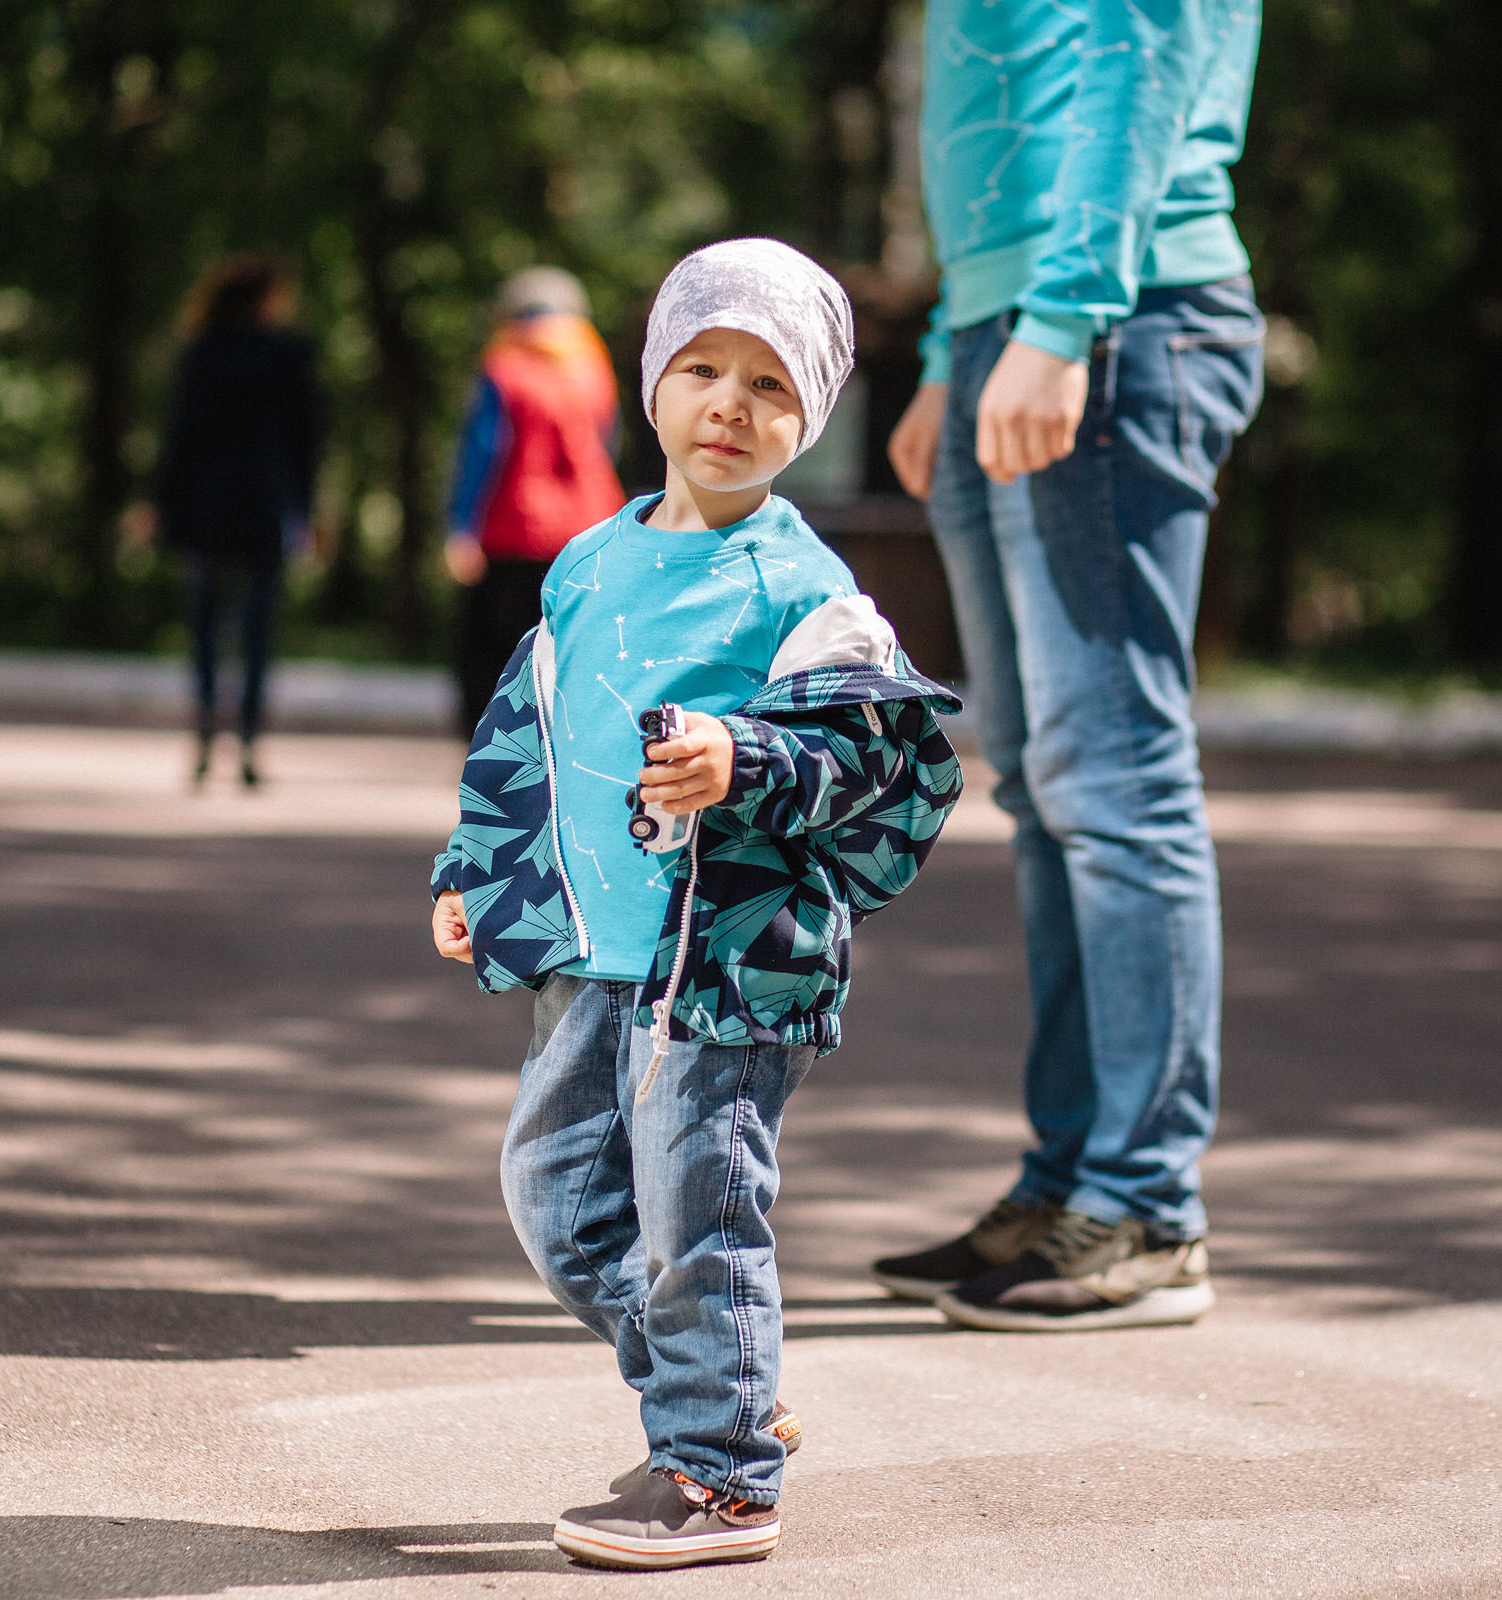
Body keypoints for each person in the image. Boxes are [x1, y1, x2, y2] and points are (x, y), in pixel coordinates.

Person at [429, 239, 963, 1570]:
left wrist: (751, 759)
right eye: (704, 370)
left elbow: (888, 764)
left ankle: (722, 1477)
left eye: (772, 387)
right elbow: (523, 735)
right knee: (552, 1198)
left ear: (812, 418)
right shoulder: (588, 565)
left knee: (696, 1209)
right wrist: (474, 872)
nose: (732, 407)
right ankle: (718, 1390)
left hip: (725, 966)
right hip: (588, 954)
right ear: (652, 387)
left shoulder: (807, 591)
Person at [871, 0, 1266, 1332]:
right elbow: (995, 111)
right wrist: (952, 345)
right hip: (1015, 316)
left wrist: (1067, 317)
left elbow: (1138, 58)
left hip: (1119, 309)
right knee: (1043, 784)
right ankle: (1068, 1183)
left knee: (1117, 780)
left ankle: (1148, 1209)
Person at [153, 253, 323, 789]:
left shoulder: (200, 353)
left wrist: (160, 502)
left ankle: (205, 731)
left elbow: (178, 436)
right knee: (256, 631)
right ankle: (248, 740)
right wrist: (308, 508)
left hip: (205, 506)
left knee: (204, 626)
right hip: (266, 506)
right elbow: (309, 440)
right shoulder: (290, 356)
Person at [444, 267, 628, 738]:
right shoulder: (594, 372)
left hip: (513, 531)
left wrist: (461, 526)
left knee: (493, 647)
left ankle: (492, 747)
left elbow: (483, 450)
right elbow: (608, 447)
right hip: (586, 533)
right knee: (563, 647)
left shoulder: (503, 369)